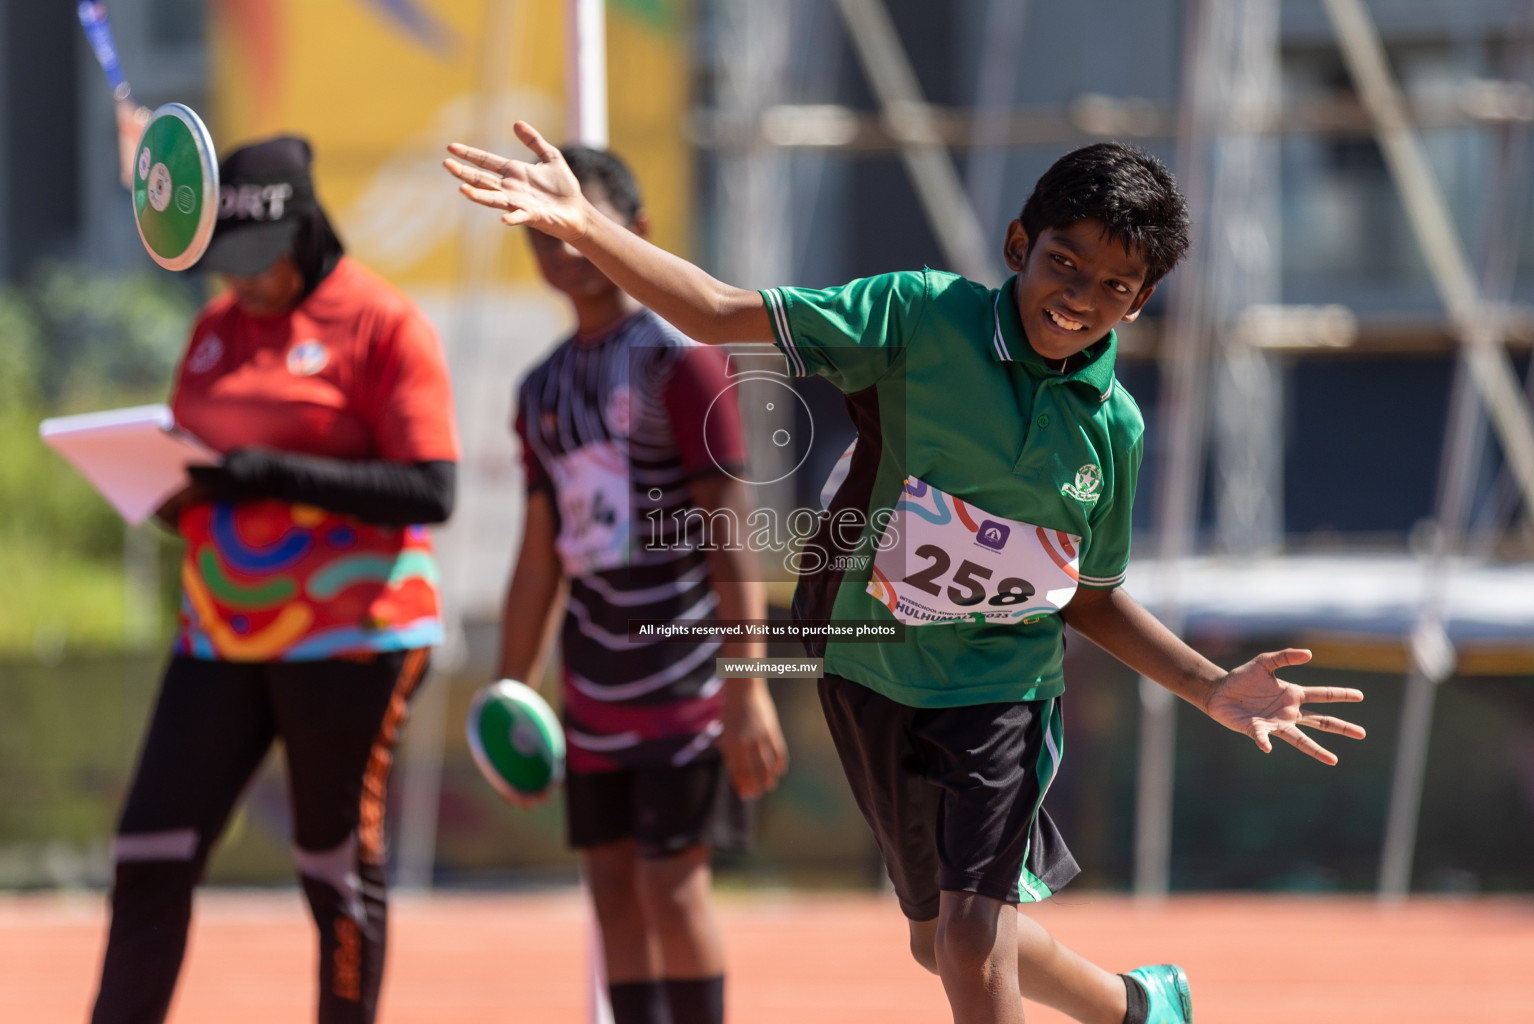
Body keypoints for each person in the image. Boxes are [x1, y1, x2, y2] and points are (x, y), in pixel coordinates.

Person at [443, 125, 1367, 1024]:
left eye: (1114, 285)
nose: (1079, 297)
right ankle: (1133, 1005)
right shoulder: (916, 315)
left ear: (1142, 301)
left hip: (1002, 685)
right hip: (866, 665)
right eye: (1065, 264)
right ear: (1019, 245)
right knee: (943, 942)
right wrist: (584, 225)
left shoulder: (1111, 430)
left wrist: (1209, 687)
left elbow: (1090, 594)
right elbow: (720, 312)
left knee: (972, 939)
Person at [91, 135, 460, 1024]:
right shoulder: (215, 331)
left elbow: (430, 489)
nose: (242, 282)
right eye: (227, 266)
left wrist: (272, 472)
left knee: (331, 864)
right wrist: (159, 484)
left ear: (306, 227)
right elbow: (193, 462)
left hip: (354, 635)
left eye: (258, 262)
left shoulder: (382, 322)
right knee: (151, 848)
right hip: (219, 630)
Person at [495, 145, 788, 1024]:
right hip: (594, 689)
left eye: (577, 222)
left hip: (687, 676)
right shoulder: (539, 387)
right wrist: (511, 694)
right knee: (612, 893)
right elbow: (539, 554)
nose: (560, 247)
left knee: (672, 887)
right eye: (540, 230)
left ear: (637, 231)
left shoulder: (683, 362)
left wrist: (750, 687)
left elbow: (732, 533)